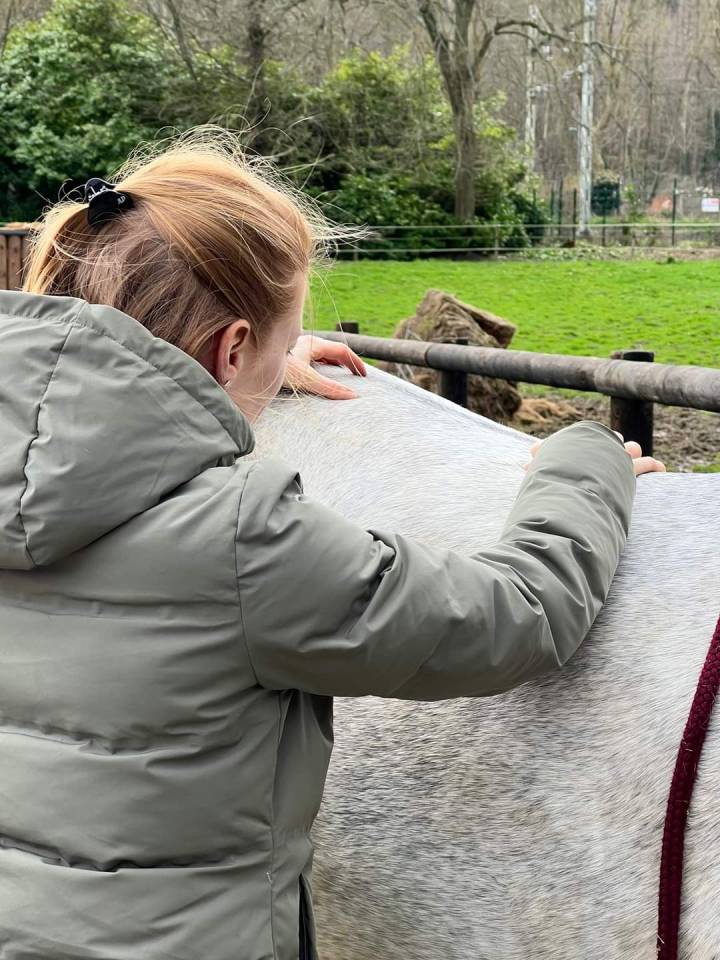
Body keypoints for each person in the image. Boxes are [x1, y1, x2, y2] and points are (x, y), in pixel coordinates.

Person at [0, 129, 665, 960]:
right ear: (231, 346)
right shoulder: (238, 537)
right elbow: (515, 615)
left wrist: (236, 371)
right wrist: (587, 463)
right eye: (281, 340)